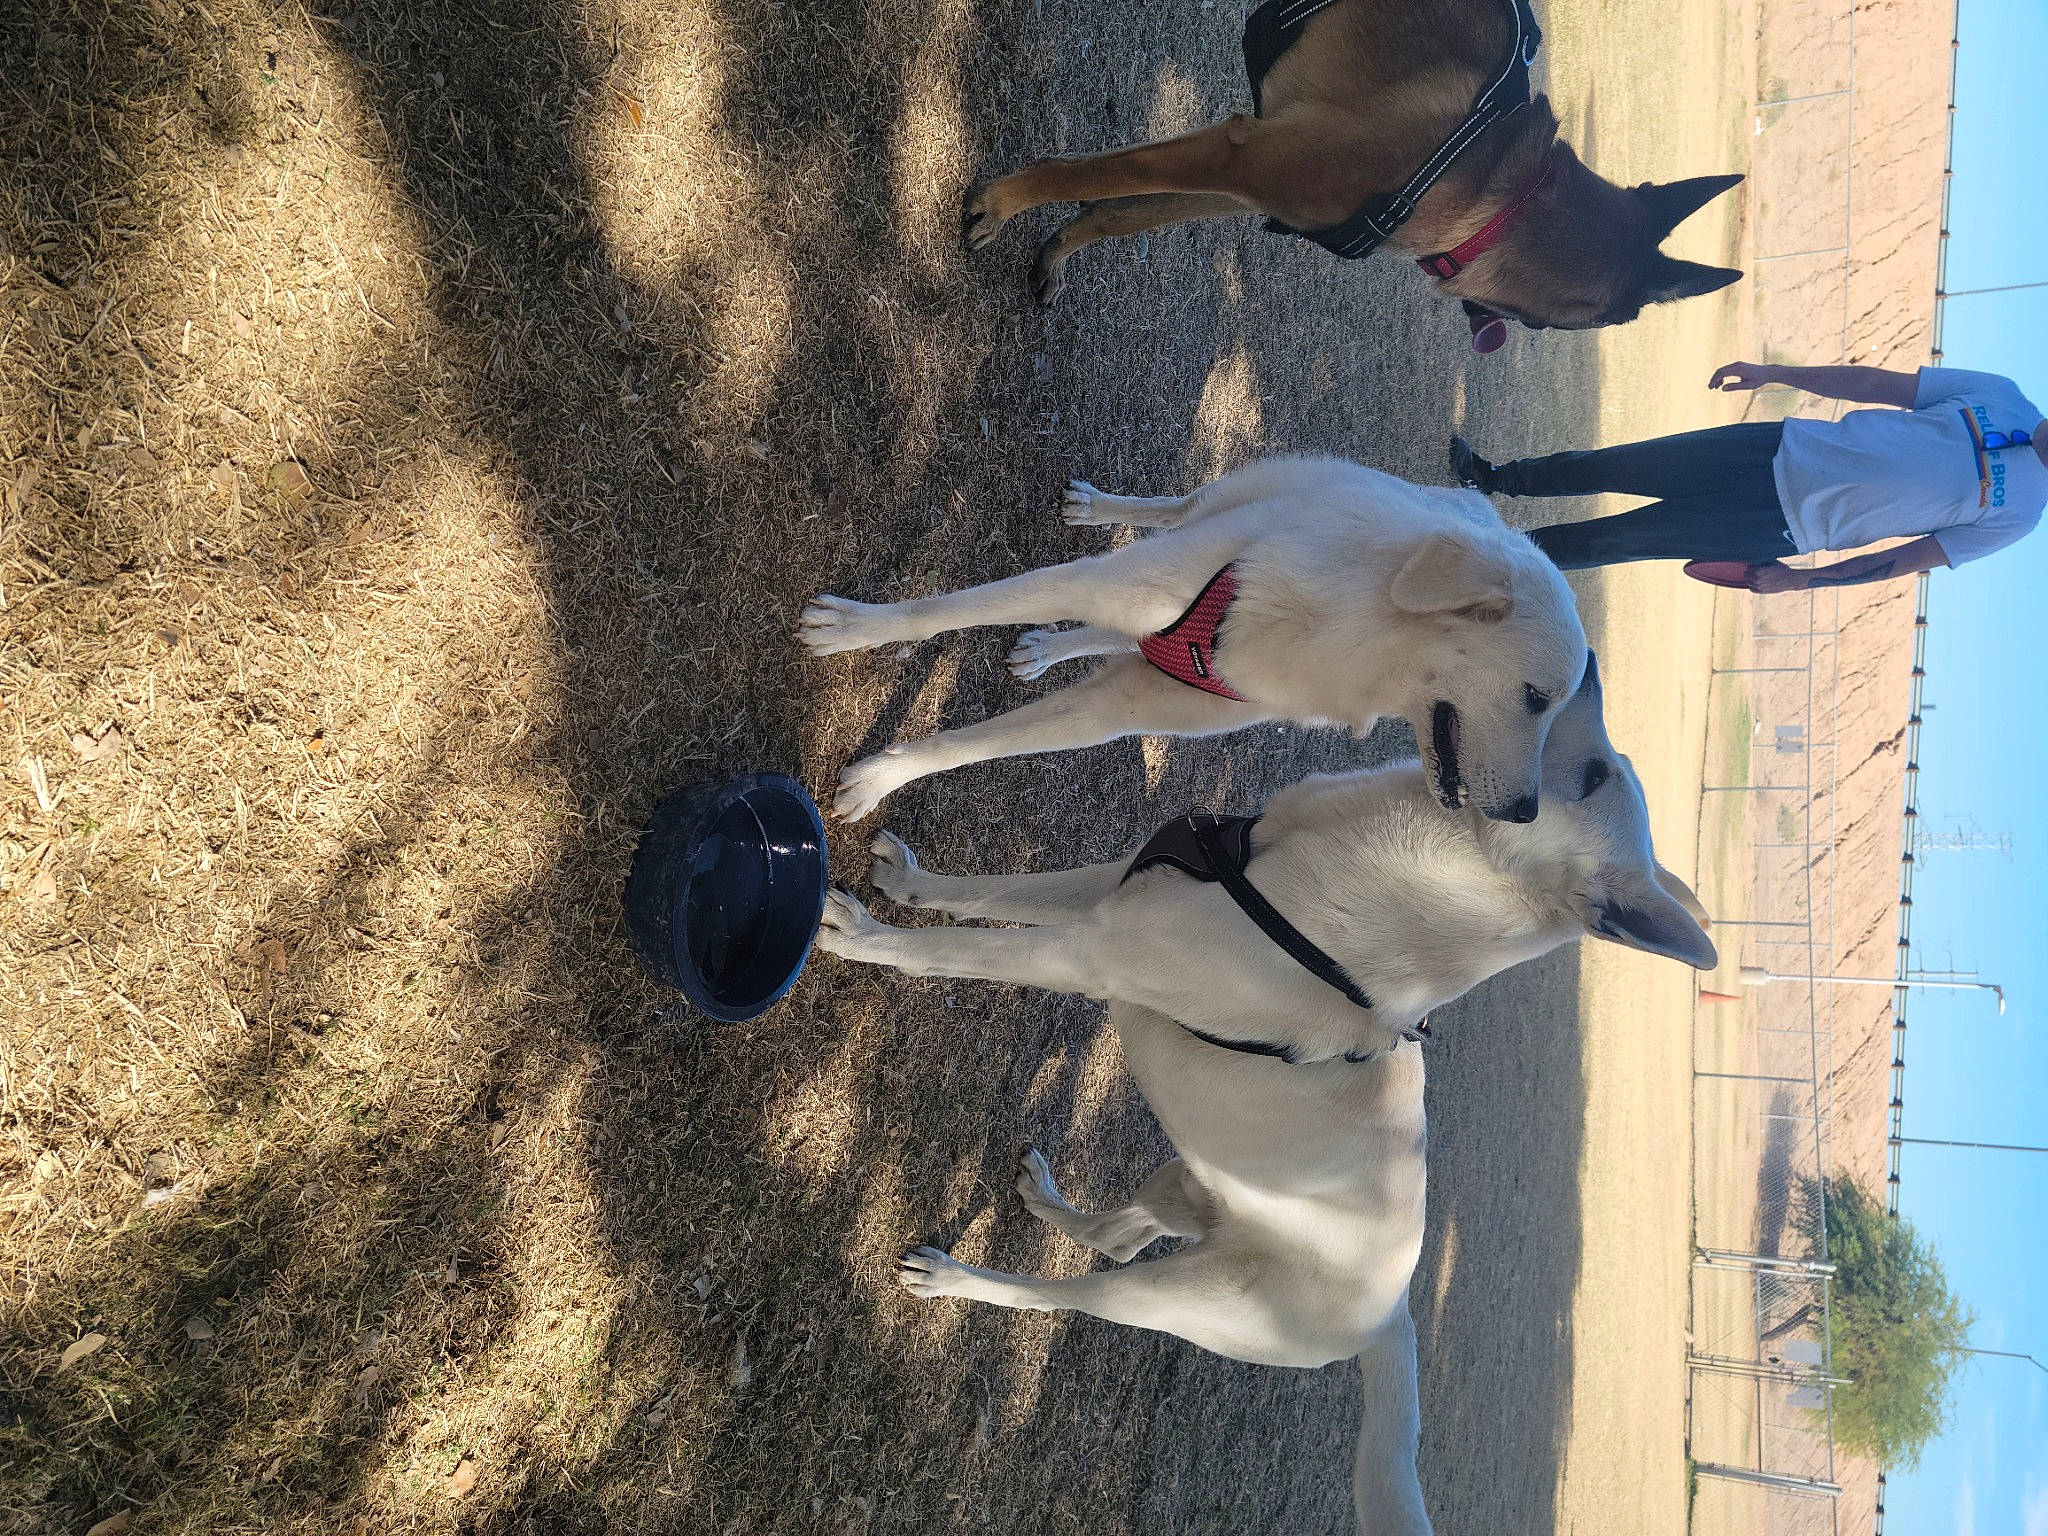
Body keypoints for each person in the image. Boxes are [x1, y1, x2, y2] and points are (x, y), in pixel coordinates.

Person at [1450, 361, 2046, 591]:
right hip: (1772, 446)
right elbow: (1873, 383)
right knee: (1616, 464)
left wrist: (1802, 581)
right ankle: (1494, 479)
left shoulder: (2019, 515)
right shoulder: (2001, 394)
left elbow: (1906, 559)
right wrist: (1774, 372)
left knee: (1616, 541)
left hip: (1781, 525)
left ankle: (1486, 556)